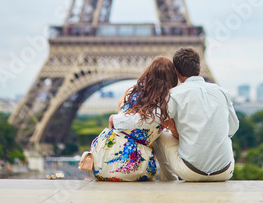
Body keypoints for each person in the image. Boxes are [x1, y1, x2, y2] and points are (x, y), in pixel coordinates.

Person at [81, 56, 178, 181]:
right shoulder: (164, 105)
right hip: (135, 166)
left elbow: (121, 119)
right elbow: (176, 134)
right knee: (159, 139)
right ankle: (172, 179)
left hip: (103, 162)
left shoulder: (130, 92)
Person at [152, 47, 239, 182]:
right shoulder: (222, 92)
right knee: (225, 135)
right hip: (225, 172)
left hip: (189, 172)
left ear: (176, 71)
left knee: (159, 134)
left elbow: (155, 122)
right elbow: (233, 128)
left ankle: (169, 181)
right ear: (199, 67)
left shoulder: (173, 95)